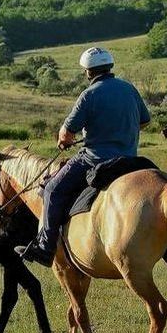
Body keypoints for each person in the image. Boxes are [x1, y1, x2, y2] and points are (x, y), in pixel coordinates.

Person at [15, 47, 151, 265]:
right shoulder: (129, 89)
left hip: (94, 159)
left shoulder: (89, 94)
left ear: (88, 72)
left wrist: (64, 141)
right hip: (129, 158)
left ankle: (45, 247)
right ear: (109, 66)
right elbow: (145, 121)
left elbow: (66, 133)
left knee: (52, 190)